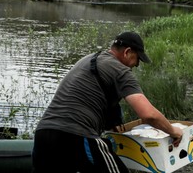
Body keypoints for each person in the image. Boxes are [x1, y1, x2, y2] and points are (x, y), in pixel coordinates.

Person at [32, 31, 184, 173]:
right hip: (77, 136)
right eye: (137, 58)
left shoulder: (87, 60)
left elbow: (92, 98)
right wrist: (173, 131)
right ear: (127, 52)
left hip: (43, 135)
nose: (137, 65)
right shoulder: (120, 70)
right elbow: (149, 115)